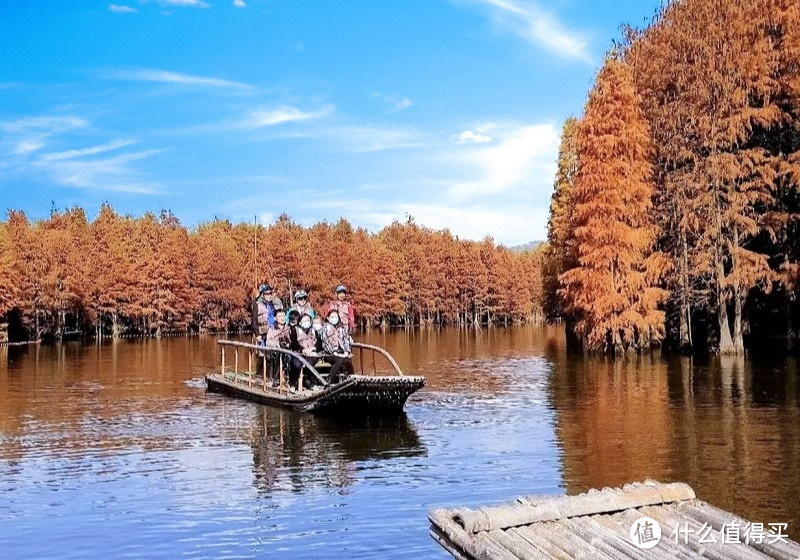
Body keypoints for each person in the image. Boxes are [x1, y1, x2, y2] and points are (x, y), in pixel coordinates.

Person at [320, 310, 354, 381]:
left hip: (341, 352)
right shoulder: (325, 328)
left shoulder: (341, 328)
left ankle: (352, 378)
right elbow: (325, 342)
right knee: (339, 359)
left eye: (335, 317)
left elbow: (346, 340)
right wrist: (334, 352)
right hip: (329, 354)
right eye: (332, 317)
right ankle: (329, 378)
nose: (334, 318)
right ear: (328, 318)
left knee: (348, 360)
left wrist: (346, 351)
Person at [288, 313, 319, 390]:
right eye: (304, 321)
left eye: (308, 321)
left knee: (310, 363)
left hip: (311, 353)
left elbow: (319, 343)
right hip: (299, 353)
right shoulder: (295, 330)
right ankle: (293, 383)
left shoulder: (314, 330)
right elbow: (294, 343)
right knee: (297, 364)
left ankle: (310, 382)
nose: (306, 322)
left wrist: (313, 348)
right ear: (300, 322)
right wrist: (303, 349)